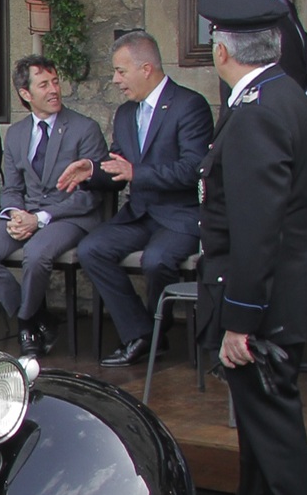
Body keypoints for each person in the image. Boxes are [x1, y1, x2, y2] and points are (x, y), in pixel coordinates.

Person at [183, 0, 307, 495]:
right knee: (257, 419)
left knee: (274, 426)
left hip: (262, 298)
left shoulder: (260, 110)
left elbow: (257, 226)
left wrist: (240, 319)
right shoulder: (283, 96)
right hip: (276, 290)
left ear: (222, 49)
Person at [69, 32, 214, 368]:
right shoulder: (124, 114)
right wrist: (92, 171)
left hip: (181, 215)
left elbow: (194, 169)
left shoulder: (189, 105)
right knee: (92, 249)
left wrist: (138, 173)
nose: (116, 80)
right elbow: (118, 167)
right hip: (141, 213)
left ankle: (154, 335)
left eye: (121, 71)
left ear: (146, 68)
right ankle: (142, 334)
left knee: (156, 260)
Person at [0, 55, 108, 356]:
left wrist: (40, 218)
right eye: (44, 84)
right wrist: (16, 213)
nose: (54, 89)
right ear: (25, 94)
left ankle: (27, 322)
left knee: (36, 252)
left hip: (70, 215)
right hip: (26, 212)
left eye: (55, 82)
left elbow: (88, 195)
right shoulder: (16, 134)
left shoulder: (85, 129)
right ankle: (35, 318)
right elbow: (12, 187)